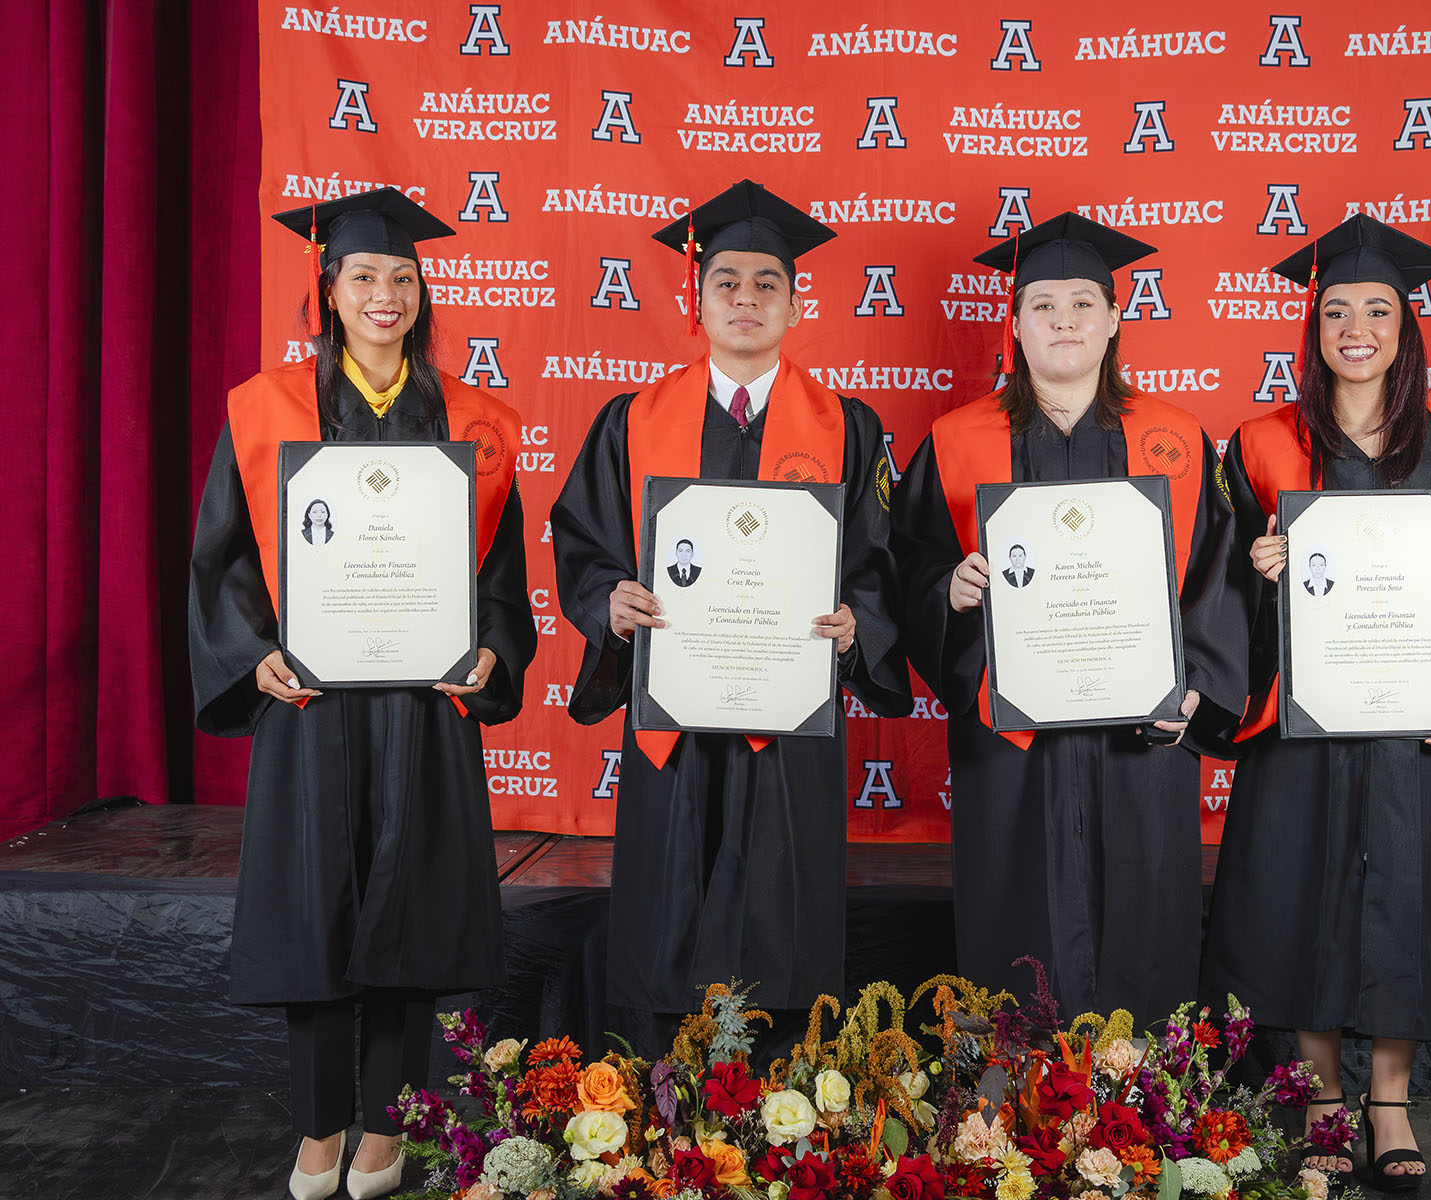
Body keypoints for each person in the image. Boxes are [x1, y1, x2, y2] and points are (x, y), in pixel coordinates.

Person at [1200, 215, 1431, 1192]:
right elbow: (1215, 590)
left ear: (1407, 326)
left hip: (1418, 727)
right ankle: (1324, 1099)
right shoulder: (1259, 443)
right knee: (1302, 896)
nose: (1355, 326)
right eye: (1335, 310)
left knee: (1406, 902)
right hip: (1303, 720)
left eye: (1376, 309)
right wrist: (1259, 570)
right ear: (1311, 327)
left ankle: (1389, 1103)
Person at [188, 188, 536, 1200]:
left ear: (424, 293)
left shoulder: (480, 424)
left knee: (411, 908)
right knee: (316, 912)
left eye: (403, 277)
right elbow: (222, 562)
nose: (386, 295)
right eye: (364, 277)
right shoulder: (266, 412)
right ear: (328, 290)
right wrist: (253, 655)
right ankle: (316, 1128)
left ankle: (387, 1124)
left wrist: (491, 655)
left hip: (425, 707)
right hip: (315, 708)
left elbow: (501, 586)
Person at [551, 180, 910, 1046]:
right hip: (674, 715)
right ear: (697, 296)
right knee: (667, 907)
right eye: (727, 283)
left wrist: (859, 622)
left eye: (766, 285)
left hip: (790, 726)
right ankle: (660, 1100)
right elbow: (583, 540)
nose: (746, 299)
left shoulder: (850, 429)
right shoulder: (631, 422)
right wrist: (611, 601)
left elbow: (879, 560)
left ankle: (789, 1104)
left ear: (796, 301)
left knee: (783, 910)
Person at [890, 213, 1251, 1022]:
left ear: (1116, 319)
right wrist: (945, 591)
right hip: (1011, 745)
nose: (1063, 319)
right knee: (1014, 933)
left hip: (1142, 744)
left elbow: (1220, 579)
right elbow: (903, 566)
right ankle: (1013, 1108)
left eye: (1083, 302)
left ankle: (1142, 1100)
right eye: (1043, 303)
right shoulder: (955, 442)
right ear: (1014, 323)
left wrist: (1194, 688)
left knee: (1144, 924)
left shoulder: (1178, 441)